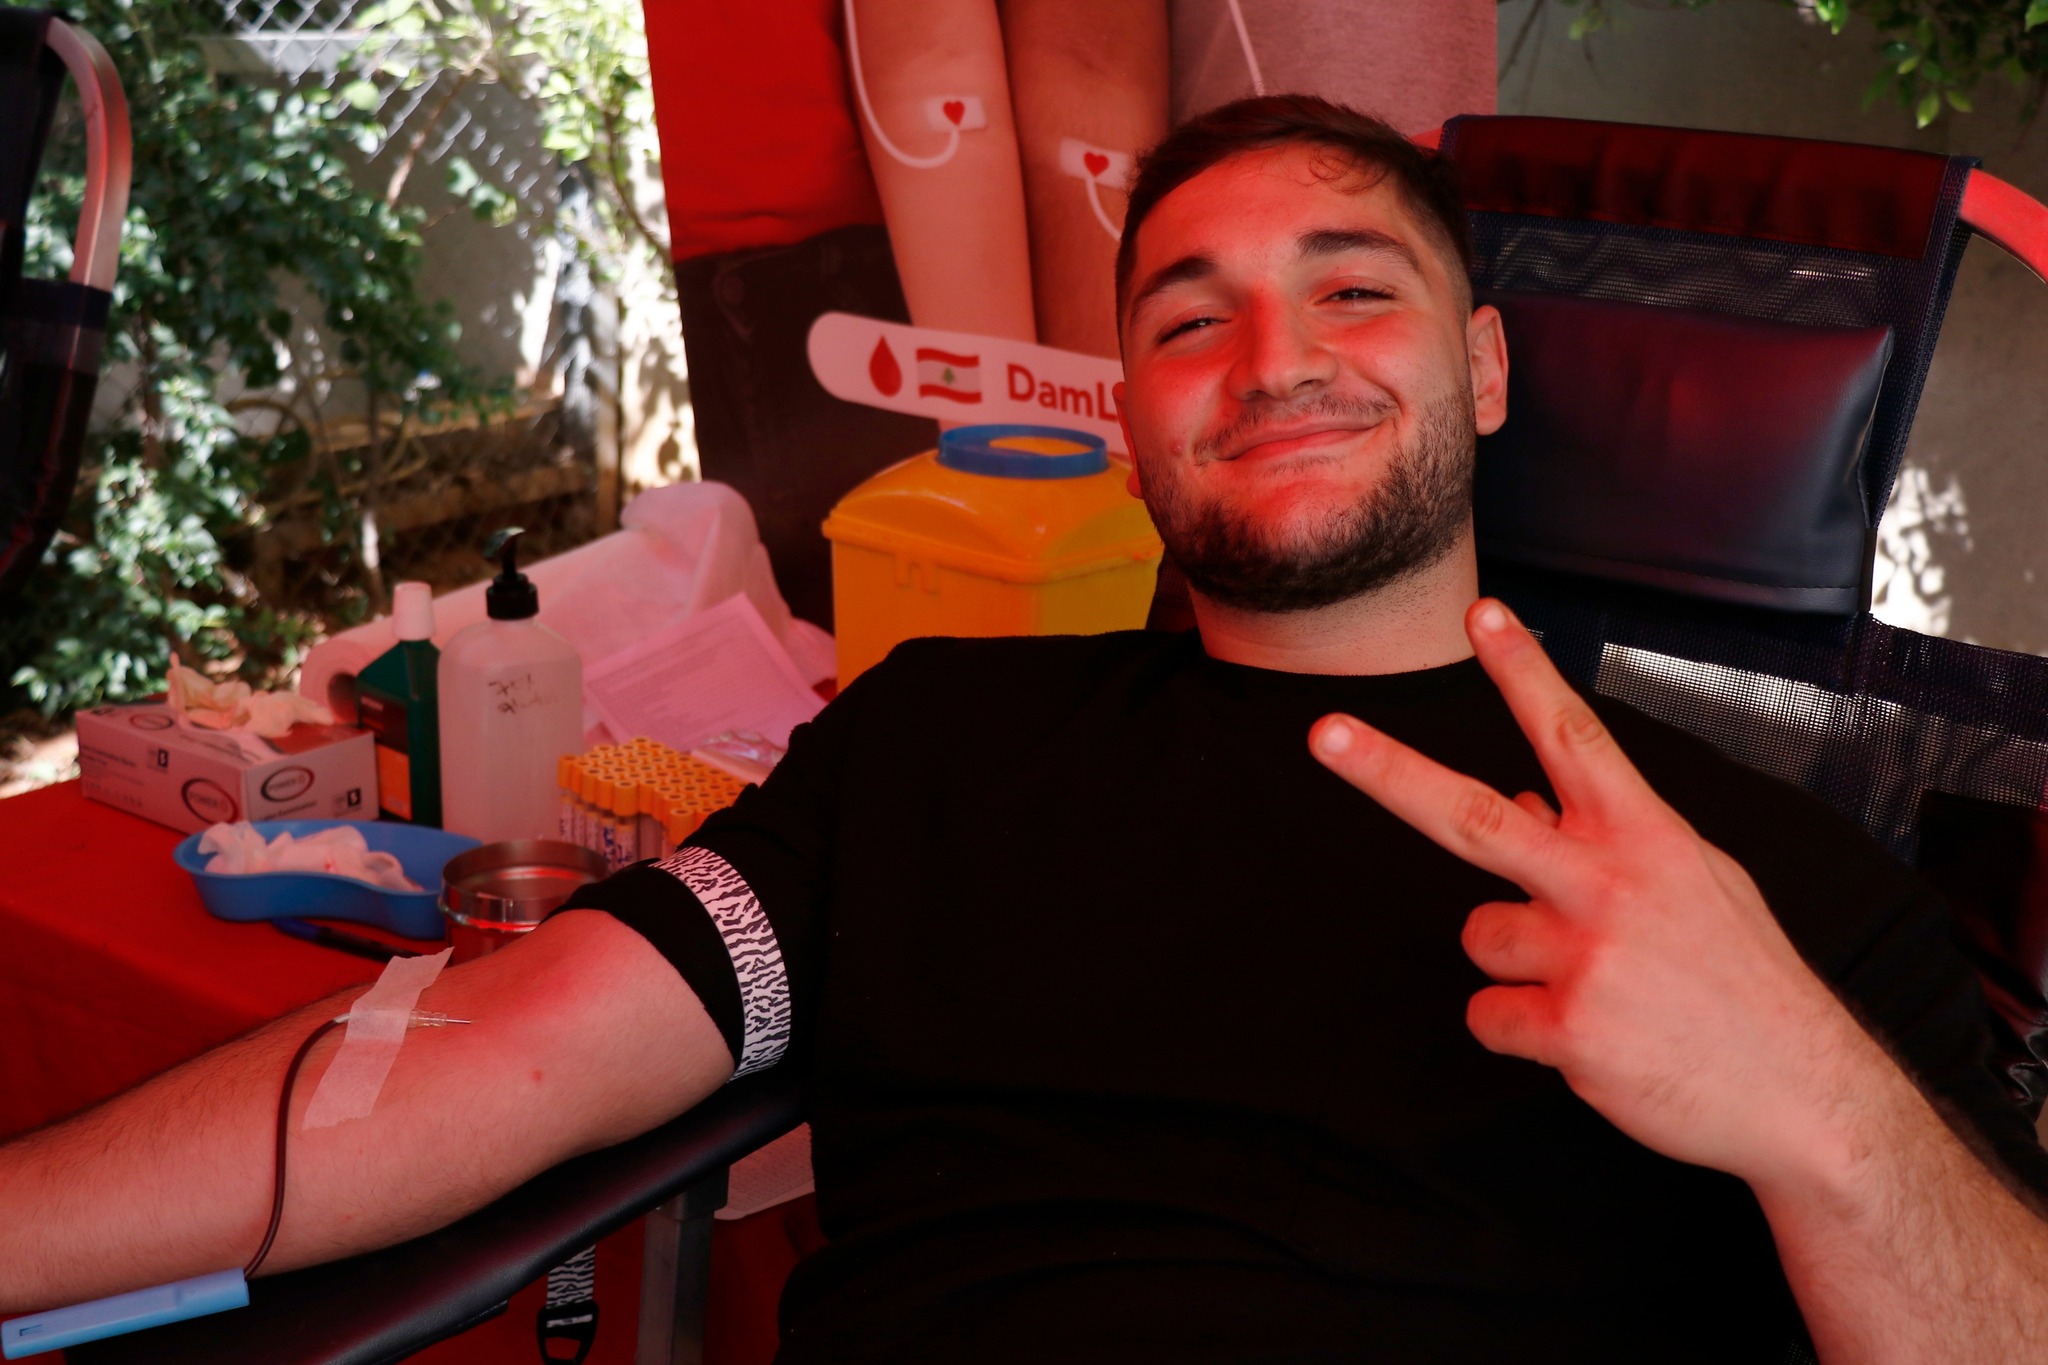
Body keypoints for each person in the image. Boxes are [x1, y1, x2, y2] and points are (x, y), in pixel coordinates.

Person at [6, 95, 2048, 1363]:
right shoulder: (939, 743)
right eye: (1186, 316)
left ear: (1485, 371)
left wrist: (1817, 1106)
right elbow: (512, 1046)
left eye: (1355, 293)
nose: (1271, 360)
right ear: (1127, 413)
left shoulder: (1761, 878)